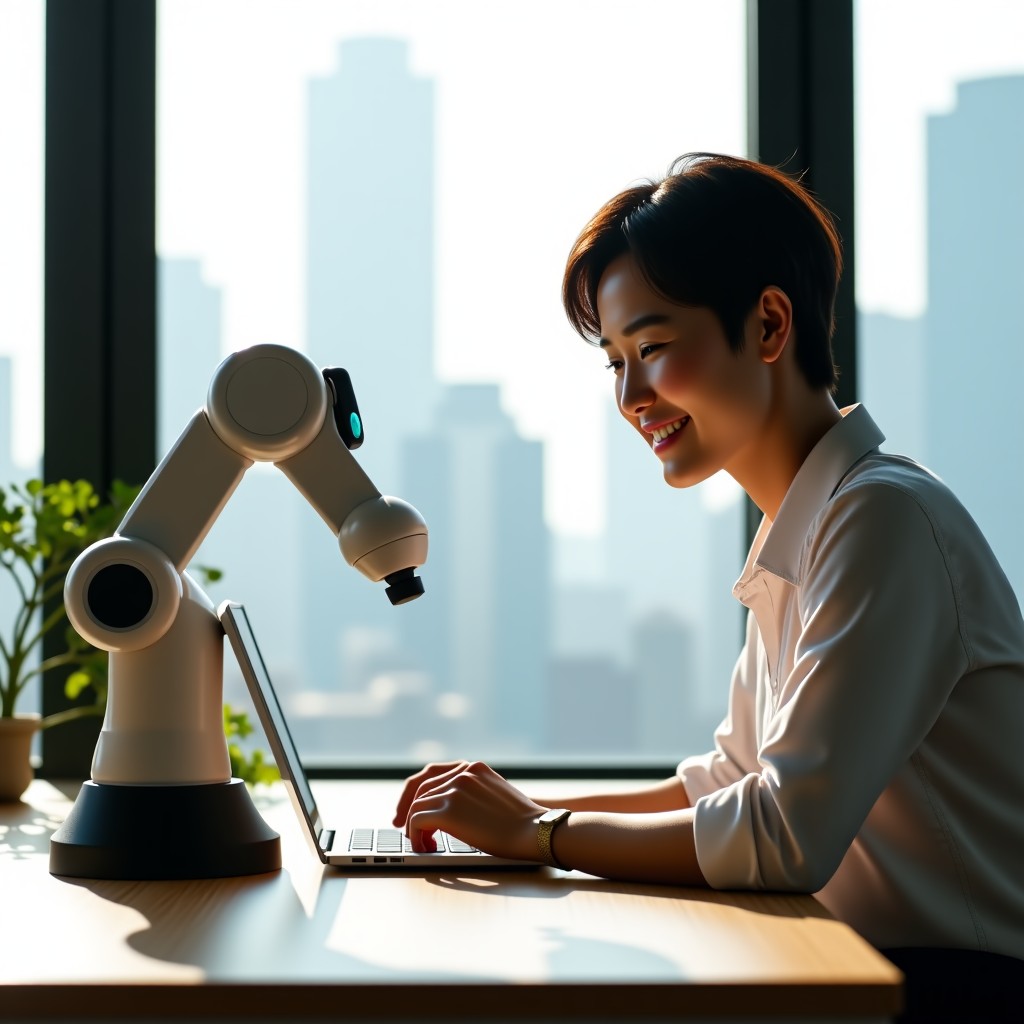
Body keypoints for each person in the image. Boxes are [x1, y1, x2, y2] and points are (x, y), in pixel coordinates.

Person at [392, 152, 1024, 1019]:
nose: (631, 396)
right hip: (856, 963)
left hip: (960, 989)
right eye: (614, 362)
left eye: (652, 348)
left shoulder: (883, 521)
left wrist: (538, 835)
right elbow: (723, 783)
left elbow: (783, 835)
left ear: (769, 326)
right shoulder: (805, 525)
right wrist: (511, 815)